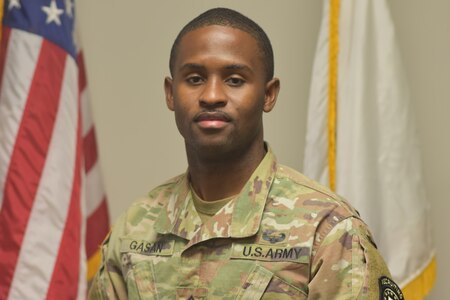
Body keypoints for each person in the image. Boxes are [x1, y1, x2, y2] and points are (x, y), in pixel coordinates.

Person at [89, 7, 404, 300]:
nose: (212, 95)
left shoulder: (327, 229)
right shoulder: (135, 226)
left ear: (268, 94)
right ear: (171, 93)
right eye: (195, 79)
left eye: (235, 80)